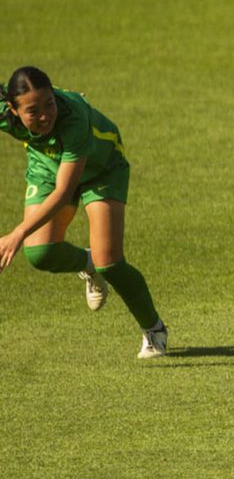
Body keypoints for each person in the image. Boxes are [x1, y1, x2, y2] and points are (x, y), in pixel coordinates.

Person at [0, 67, 168, 359]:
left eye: (49, 104)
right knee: (41, 254)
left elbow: (64, 192)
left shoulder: (74, 119)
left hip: (101, 168)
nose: (44, 116)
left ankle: (154, 330)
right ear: (12, 110)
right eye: (33, 111)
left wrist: (17, 232)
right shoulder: (4, 111)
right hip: (47, 166)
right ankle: (87, 264)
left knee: (111, 263)